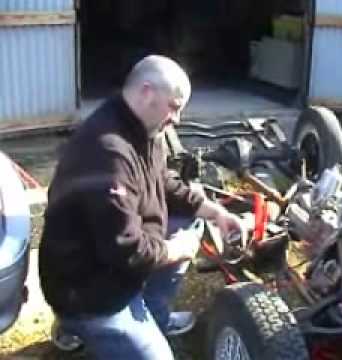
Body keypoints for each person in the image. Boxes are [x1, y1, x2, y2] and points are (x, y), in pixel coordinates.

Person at [39, 55, 244, 359]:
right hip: (89, 290)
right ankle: (80, 325)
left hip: (118, 262)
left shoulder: (147, 130)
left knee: (193, 222)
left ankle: (153, 318)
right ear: (147, 92)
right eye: (174, 106)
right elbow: (128, 251)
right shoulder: (108, 153)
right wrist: (177, 250)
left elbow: (164, 182)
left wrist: (217, 213)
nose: (177, 118)